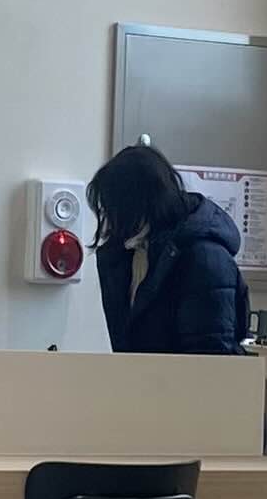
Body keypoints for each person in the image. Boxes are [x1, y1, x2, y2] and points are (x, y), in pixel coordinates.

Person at [88, 143, 249, 355]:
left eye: (115, 208)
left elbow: (211, 357)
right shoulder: (129, 254)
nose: (110, 219)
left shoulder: (205, 258)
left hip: (184, 375)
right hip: (148, 374)